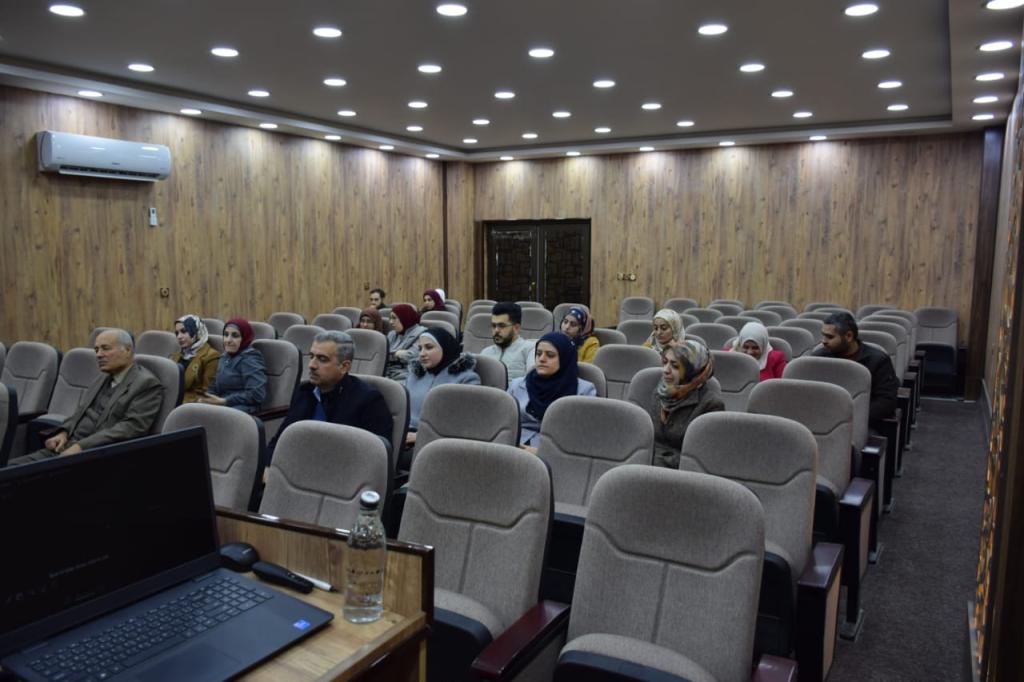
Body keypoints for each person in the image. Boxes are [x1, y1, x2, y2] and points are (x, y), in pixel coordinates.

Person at [9, 329, 163, 465]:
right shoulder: (103, 377)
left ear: (127, 350)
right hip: (66, 447)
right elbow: (80, 412)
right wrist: (64, 432)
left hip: (96, 456)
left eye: (105, 348)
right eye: (96, 350)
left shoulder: (147, 384)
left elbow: (130, 429)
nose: (99, 355)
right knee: (9, 468)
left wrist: (81, 446)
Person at [269, 331, 393, 456]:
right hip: (295, 463)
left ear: (344, 367)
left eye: (322, 359)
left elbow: (376, 457)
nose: (311, 365)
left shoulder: (369, 401)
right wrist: (268, 465)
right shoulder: (304, 391)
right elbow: (280, 439)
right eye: (311, 356)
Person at [508, 331, 597, 451]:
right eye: (538, 354)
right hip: (515, 447)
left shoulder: (584, 391)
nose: (541, 359)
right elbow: (504, 424)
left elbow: (583, 435)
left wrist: (544, 452)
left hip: (559, 451)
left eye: (550, 355)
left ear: (565, 358)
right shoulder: (517, 385)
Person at [813, 311, 899, 429]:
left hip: (863, 423)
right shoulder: (818, 358)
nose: (823, 341)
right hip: (824, 420)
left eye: (830, 337)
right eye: (823, 335)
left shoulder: (878, 360)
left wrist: (850, 420)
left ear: (849, 336)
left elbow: (886, 402)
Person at [648, 338, 725, 469]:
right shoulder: (660, 392)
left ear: (692, 371)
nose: (665, 370)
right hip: (647, 464)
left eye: (675, 366)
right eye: (665, 362)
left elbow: (702, 457)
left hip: (681, 472)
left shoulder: (711, 405)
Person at [405, 328, 480, 444]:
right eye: (420, 348)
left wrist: (420, 436)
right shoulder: (414, 375)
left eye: (429, 347)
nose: (422, 354)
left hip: (438, 442)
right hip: (404, 436)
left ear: (445, 348)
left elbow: (462, 423)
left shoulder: (467, 379)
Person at [199, 318, 267, 414]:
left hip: (242, 411)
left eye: (235, 336)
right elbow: (215, 384)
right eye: (226, 335)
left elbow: (256, 394)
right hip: (223, 405)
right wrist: (207, 397)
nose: (228, 340)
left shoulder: (250, 358)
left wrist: (225, 401)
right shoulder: (225, 356)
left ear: (244, 337)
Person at [172, 314, 221, 403]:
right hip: (172, 400)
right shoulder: (177, 355)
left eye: (183, 331)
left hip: (191, 405)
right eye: (177, 333)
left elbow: (207, 393)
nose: (179, 336)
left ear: (196, 332)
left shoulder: (211, 356)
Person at [480, 302, 536, 380]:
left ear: (516, 328)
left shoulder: (530, 349)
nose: (496, 330)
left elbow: (533, 381)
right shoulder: (485, 353)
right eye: (493, 326)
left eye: (501, 326)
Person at [386, 304, 427, 381]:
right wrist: (397, 354)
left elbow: (413, 356)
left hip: (406, 374)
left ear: (404, 318)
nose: (390, 322)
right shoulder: (392, 334)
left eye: (394, 318)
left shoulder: (422, 333)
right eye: (390, 318)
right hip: (386, 371)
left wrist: (392, 354)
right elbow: (383, 354)